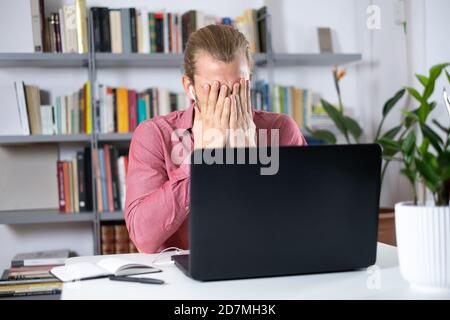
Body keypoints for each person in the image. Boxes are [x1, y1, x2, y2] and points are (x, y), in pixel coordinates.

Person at [125, 24, 307, 253]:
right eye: (215, 90)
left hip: (263, 270)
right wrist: (199, 160)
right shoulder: (154, 134)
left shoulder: (281, 130)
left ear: (249, 79)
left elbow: (302, 223)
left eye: (238, 88)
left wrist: (252, 161)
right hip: (180, 281)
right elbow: (143, 237)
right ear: (189, 87)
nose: (228, 100)